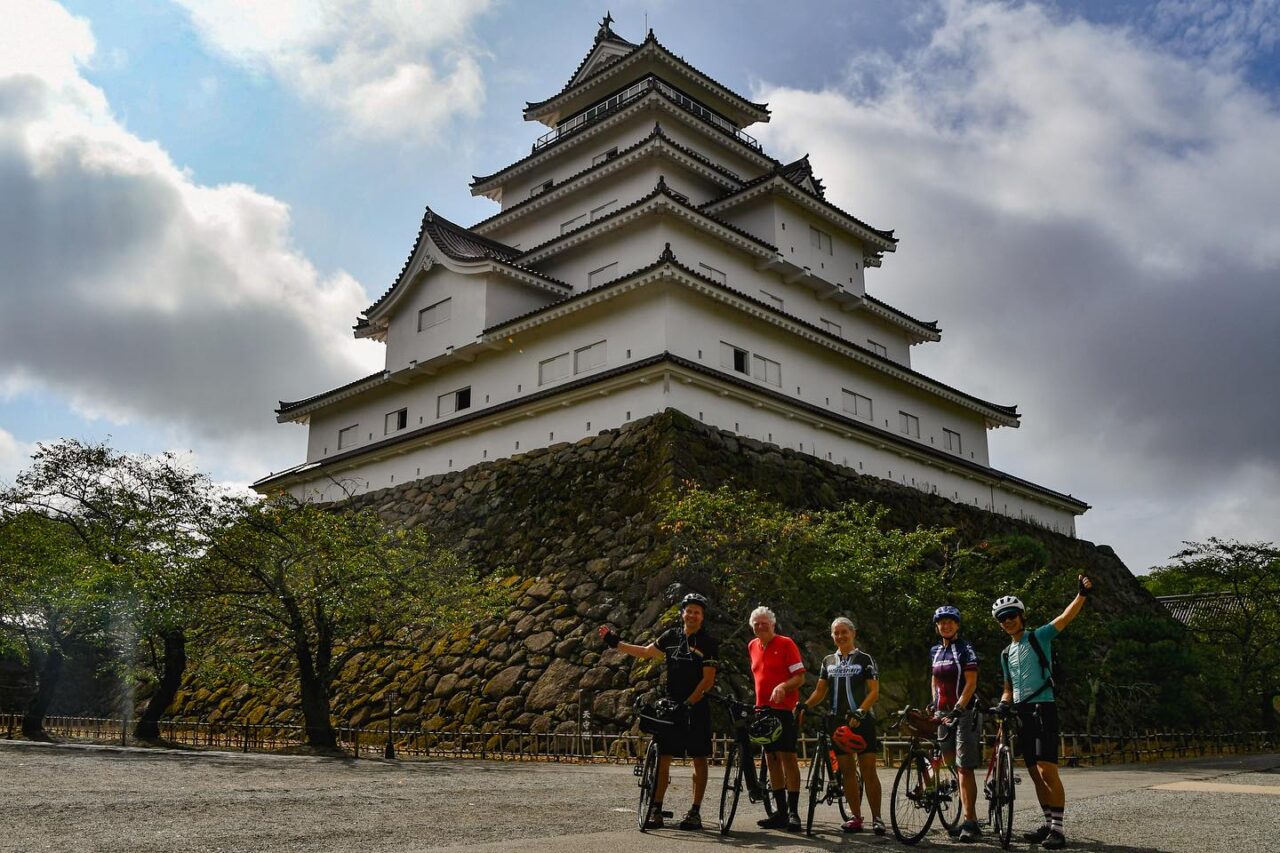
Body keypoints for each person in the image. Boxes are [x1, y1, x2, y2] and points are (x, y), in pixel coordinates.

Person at [597, 592, 718, 831]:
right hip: (671, 705)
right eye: (689, 610)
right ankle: (656, 808)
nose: (692, 615)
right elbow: (645, 652)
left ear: (702, 617)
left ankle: (694, 812)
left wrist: (689, 703)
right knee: (664, 758)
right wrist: (615, 643)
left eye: (697, 612)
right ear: (682, 613)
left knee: (699, 759)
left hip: (696, 706)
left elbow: (708, 681)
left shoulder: (708, 643)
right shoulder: (671, 636)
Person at [993, 575, 1093, 851]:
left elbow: (1065, 617)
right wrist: (1003, 702)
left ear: (1021, 616)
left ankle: (1058, 830)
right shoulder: (1005, 653)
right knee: (1034, 772)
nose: (1008, 621)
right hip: (1021, 713)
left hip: (1043, 708)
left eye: (1011, 615)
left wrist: (1081, 595)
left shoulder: (1039, 637)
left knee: (1047, 768)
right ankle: (1049, 824)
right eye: (1002, 618)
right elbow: (1008, 686)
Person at [797, 616, 884, 835]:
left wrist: (861, 711)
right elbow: (820, 691)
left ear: (853, 633)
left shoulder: (865, 659)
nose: (840, 636)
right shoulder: (828, 661)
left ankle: (877, 818)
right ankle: (856, 817)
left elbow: (874, 691)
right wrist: (805, 706)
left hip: (862, 720)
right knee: (846, 771)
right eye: (836, 633)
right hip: (838, 722)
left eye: (844, 632)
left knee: (868, 771)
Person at [747, 606, 806, 831]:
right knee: (770, 759)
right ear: (752, 627)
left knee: (788, 758)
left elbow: (799, 677)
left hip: (783, 710)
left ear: (773, 625)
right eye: (757, 624)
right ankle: (780, 813)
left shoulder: (785, 644)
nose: (761, 627)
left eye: (765, 623)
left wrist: (783, 686)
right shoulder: (752, 646)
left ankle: (793, 813)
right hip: (762, 710)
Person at [930, 604, 982, 842]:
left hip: (964, 713)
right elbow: (934, 679)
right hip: (942, 713)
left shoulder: (966, 649)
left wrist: (959, 708)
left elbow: (970, 683)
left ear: (957, 625)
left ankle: (970, 820)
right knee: (949, 760)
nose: (946, 625)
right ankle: (964, 812)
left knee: (964, 767)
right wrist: (934, 704)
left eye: (951, 621)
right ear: (937, 626)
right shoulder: (935, 651)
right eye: (942, 622)